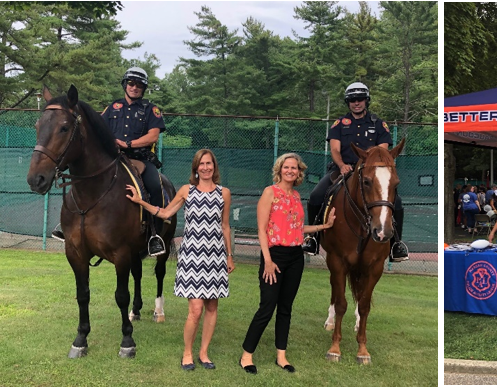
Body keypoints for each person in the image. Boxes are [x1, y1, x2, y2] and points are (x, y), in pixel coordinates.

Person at [126, 149, 235, 371]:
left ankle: (204, 353)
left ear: (214, 167)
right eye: (201, 164)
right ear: (195, 168)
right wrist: (140, 202)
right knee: (196, 310)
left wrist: (229, 255)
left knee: (212, 307)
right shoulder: (187, 191)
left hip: (215, 256)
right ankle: (187, 353)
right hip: (193, 256)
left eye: (209, 163)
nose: (206, 167)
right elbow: (165, 213)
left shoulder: (224, 193)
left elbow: (225, 226)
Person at [52, 67, 167, 256]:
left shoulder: (150, 109)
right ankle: (67, 225)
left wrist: (128, 143)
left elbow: (153, 136)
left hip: (140, 160)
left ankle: (155, 236)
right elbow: (97, 129)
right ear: (125, 85)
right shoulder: (112, 108)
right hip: (112, 158)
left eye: (139, 85)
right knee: (82, 181)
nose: (134, 87)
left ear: (144, 88)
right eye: (131, 83)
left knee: (155, 186)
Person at [240, 153, 335, 375]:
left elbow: (297, 228)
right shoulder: (270, 192)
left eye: (294, 168)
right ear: (280, 169)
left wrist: (324, 226)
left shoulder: (296, 196)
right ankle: (246, 355)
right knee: (267, 307)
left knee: (285, 309)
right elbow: (262, 230)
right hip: (274, 255)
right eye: (286, 167)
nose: (290, 171)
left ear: (299, 172)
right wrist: (268, 261)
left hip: (295, 257)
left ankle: (281, 355)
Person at [305, 82, 406, 262]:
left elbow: (382, 153)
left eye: (360, 99)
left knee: (396, 202)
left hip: (371, 172)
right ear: (348, 102)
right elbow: (335, 149)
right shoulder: (339, 124)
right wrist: (342, 164)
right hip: (342, 170)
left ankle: (396, 244)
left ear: (366, 101)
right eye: (352, 100)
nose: (356, 103)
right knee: (316, 196)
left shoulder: (379, 124)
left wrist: (366, 167)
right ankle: (313, 238)